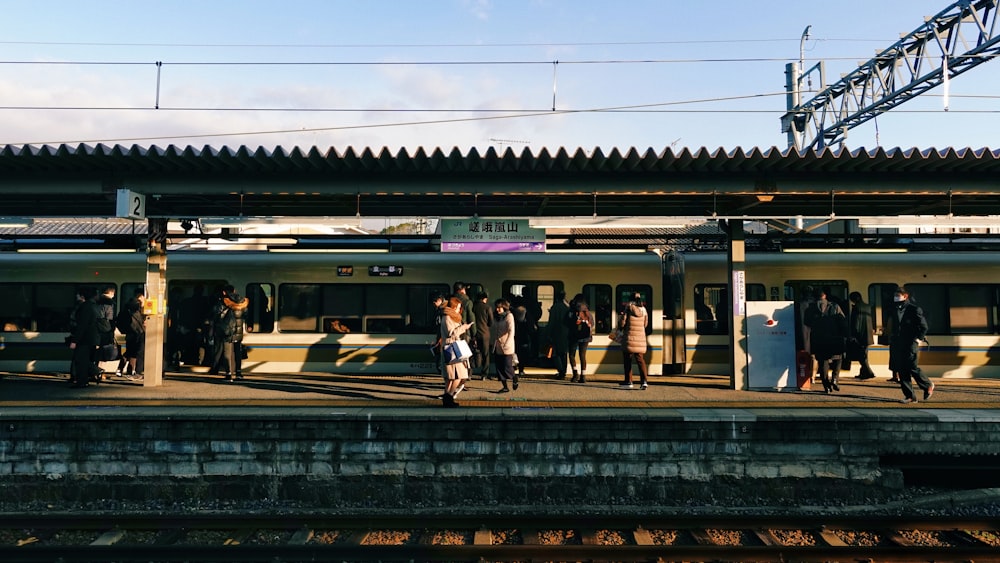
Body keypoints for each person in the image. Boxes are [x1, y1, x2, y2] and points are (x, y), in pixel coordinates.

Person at [885, 285, 932, 404]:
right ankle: (910, 396)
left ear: (905, 296)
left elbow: (924, 326)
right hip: (898, 343)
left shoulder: (914, 309)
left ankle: (927, 385)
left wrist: (918, 339)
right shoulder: (895, 309)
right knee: (902, 369)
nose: (895, 297)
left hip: (911, 342)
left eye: (898, 295)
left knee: (912, 366)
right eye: (895, 295)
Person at [803, 287, 849, 394]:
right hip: (834, 337)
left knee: (823, 362)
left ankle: (826, 386)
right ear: (825, 296)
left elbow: (807, 323)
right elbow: (842, 321)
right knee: (838, 358)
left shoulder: (810, 308)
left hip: (819, 339)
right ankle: (835, 379)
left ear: (815, 297)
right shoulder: (835, 306)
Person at [209, 285, 248, 381]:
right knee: (238, 352)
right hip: (238, 331)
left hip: (227, 330)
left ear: (224, 292)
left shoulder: (222, 302)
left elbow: (216, 314)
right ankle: (238, 373)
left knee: (227, 352)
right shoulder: (243, 301)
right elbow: (246, 314)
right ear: (234, 290)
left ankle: (229, 373)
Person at [439, 296, 473, 407]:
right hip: (452, 349)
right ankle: (449, 396)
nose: (459, 310)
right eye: (457, 307)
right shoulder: (448, 317)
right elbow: (451, 333)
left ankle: (447, 398)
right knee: (459, 376)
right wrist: (464, 327)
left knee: (451, 378)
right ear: (452, 307)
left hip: (451, 348)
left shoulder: (449, 316)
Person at [68, 286, 101, 388]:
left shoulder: (85, 307)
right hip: (92, 338)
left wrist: (75, 340)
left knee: (81, 360)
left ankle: (83, 381)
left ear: (83, 296)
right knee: (86, 359)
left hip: (84, 339)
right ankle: (88, 377)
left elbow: (82, 326)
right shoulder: (94, 306)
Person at [619, 292, 649, 390]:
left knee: (627, 359)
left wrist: (621, 318)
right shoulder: (644, 310)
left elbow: (622, 323)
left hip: (629, 338)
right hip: (640, 339)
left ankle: (628, 381)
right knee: (640, 360)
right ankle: (644, 381)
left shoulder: (628, 308)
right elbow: (645, 324)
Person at [847, 291, 877, 380]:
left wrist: (854, 335)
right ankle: (863, 373)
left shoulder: (856, 307)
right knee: (864, 354)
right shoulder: (868, 306)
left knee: (862, 356)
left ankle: (869, 372)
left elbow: (856, 323)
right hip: (868, 335)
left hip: (860, 336)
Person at [491, 298, 518, 393]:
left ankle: (514, 378)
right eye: (496, 308)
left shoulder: (509, 316)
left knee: (507, 366)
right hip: (497, 345)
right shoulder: (496, 317)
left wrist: (507, 343)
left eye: (499, 307)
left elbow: (511, 331)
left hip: (507, 346)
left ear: (504, 307)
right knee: (499, 367)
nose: (497, 309)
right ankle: (505, 386)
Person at [568, 293, 595, 383]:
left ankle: (575, 374)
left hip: (574, 336)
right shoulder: (587, 311)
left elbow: (566, 322)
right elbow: (592, 324)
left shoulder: (572, 310)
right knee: (582, 356)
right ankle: (583, 376)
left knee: (572, 355)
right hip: (585, 337)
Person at [120, 288, 147, 380]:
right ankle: (135, 371)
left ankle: (131, 371)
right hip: (138, 333)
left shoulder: (132, 308)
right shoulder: (137, 309)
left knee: (134, 353)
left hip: (135, 333)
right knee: (136, 353)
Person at [94, 285, 118, 380]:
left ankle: (95, 370)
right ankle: (99, 371)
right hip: (105, 331)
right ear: (111, 293)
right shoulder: (109, 303)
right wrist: (112, 329)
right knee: (103, 353)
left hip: (96, 330)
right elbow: (109, 318)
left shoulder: (96, 301)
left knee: (96, 352)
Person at [548, 290, 570, 380]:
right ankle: (564, 371)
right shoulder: (567, 307)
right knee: (564, 353)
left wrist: (548, 333)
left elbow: (551, 322)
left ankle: (560, 371)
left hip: (556, 332)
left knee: (555, 353)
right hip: (566, 332)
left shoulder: (555, 307)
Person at [472, 291, 493, 379]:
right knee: (486, 354)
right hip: (485, 334)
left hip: (475, 333)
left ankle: (471, 371)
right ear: (484, 299)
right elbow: (491, 322)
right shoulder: (487, 307)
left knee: (474, 352)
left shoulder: (473, 307)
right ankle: (484, 374)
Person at [429, 292, 447, 372]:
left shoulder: (443, 310)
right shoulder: (442, 309)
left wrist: (440, 338)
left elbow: (441, 325)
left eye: (434, 302)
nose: (434, 305)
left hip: (442, 337)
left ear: (439, 300)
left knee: (441, 357)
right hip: (442, 337)